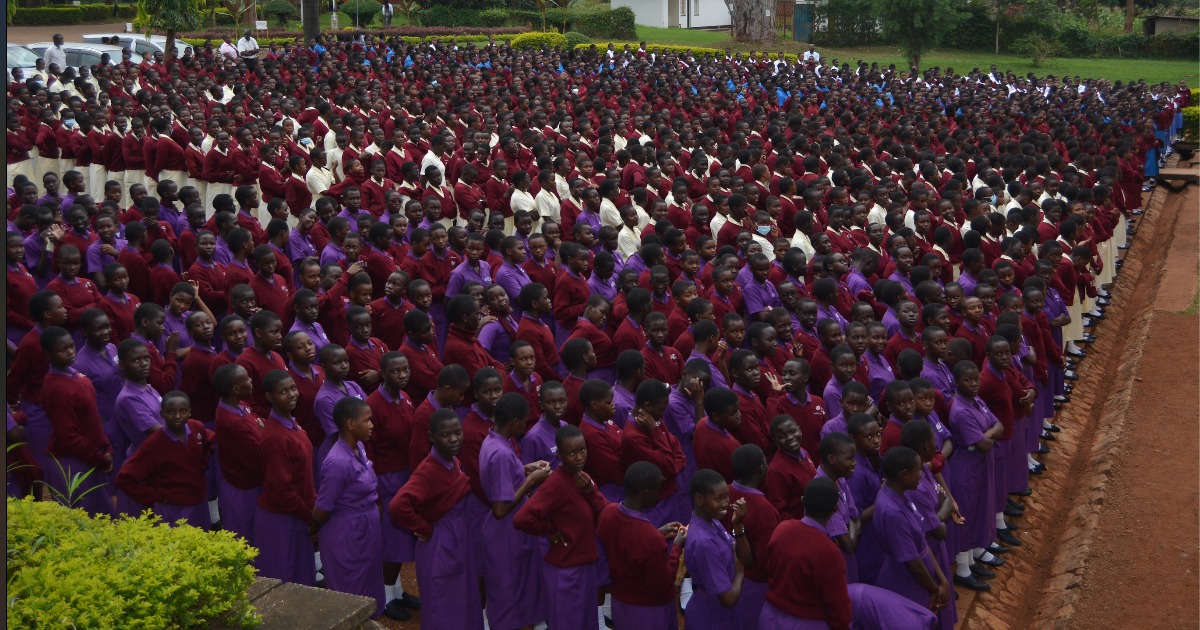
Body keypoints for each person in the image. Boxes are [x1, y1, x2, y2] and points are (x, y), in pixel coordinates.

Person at [390, 409, 484, 630]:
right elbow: (397, 506)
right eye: (445, 435)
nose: (453, 439)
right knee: (444, 603)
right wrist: (424, 528)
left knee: (465, 597)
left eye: (457, 433)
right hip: (441, 543)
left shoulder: (452, 460)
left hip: (460, 537)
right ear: (432, 437)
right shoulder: (428, 470)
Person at [513, 425, 610, 630]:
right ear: (560, 454)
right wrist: (549, 529)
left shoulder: (584, 478)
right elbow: (522, 518)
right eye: (571, 453)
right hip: (565, 569)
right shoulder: (555, 483)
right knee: (567, 623)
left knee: (586, 621)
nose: (578, 457)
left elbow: (606, 514)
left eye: (582, 450)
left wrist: (591, 491)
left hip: (587, 564)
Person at [479, 393, 552, 629]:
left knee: (519, 589)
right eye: (523, 421)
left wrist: (524, 469)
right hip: (505, 533)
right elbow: (500, 508)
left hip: (509, 531)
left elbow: (504, 476)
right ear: (514, 422)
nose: (525, 425)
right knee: (508, 596)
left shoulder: (494, 440)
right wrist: (531, 482)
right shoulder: (501, 452)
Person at [313, 397, 385, 618]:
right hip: (346, 536)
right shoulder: (337, 462)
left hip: (366, 530)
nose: (372, 425)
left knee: (369, 582)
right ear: (350, 424)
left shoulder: (359, 447)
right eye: (368, 420)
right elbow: (322, 509)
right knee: (351, 591)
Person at [596, 461, 687, 630]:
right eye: (657, 490)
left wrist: (658, 532)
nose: (659, 494)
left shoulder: (608, 513)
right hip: (649, 611)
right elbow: (664, 581)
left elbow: (626, 545)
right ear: (645, 493)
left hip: (621, 605)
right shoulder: (649, 538)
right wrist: (676, 546)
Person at [41, 325, 115, 517]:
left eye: (71, 346)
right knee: (84, 517)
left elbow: (91, 415)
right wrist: (98, 457)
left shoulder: (75, 373)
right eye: (62, 349)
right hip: (74, 462)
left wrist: (104, 447)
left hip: (92, 456)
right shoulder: (57, 387)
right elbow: (68, 436)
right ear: (48, 354)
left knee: (104, 514)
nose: (70, 352)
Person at [759, 477, 853, 629]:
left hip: (771, 618)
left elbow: (771, 569)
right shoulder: (829, 551)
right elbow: (838, 607)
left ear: (802, 501)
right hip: (807, 623)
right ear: (835, 508)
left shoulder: (782, 529)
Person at [117, 391, 215, 529]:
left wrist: (201, 464)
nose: (177, 416)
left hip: (199, 504)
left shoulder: (196, 427)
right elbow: (124, 479)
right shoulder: (154, 444)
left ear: (190, 412)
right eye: (170, 412)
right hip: (172, 509)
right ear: (162, 414)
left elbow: (209, 441)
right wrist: (155, 496)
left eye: (182, 411)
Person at [254, 369, 317, 586]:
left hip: (297, 513)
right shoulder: (275, 438)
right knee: (285, 581)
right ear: (270, 397)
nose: (291, 394)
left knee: (302, 578)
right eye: (283, 391)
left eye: (292, 388)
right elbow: (281, 490)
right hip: (283, 520)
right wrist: (310, 516)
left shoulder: (292, 423)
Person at [871, 446, 951, 613]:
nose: (921, 475)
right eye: (918, 471)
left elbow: (921, 540)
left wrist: (942, 580)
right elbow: (913, 563)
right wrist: (935, 589)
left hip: (923, 577)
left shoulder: (903, 493)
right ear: (904, 475)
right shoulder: (892, 512)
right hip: (906, 583)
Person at [684, 468, 751, 630]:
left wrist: (737, 525)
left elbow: (746, 558)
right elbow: (728, 599)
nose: (725, 503)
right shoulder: (704, 542)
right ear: (699, 499)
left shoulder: (712, 522)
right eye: (718, 498)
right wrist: (740, 572)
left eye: (726, 496)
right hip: (712, 616)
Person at [728, 444, 782, 630]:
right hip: (755, 586)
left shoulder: (726, 492)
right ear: (761, 469)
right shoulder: (763, 510)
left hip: (731, 575)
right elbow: (766, 560)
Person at [212, 363, 264, 543]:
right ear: (236, 388)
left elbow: (260, 423)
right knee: (247, 540)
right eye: (247, 379)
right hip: (244, 491)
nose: (251, 381)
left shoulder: (240, 404)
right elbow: (258, 456)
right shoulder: (232, 422)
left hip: (249, 485)